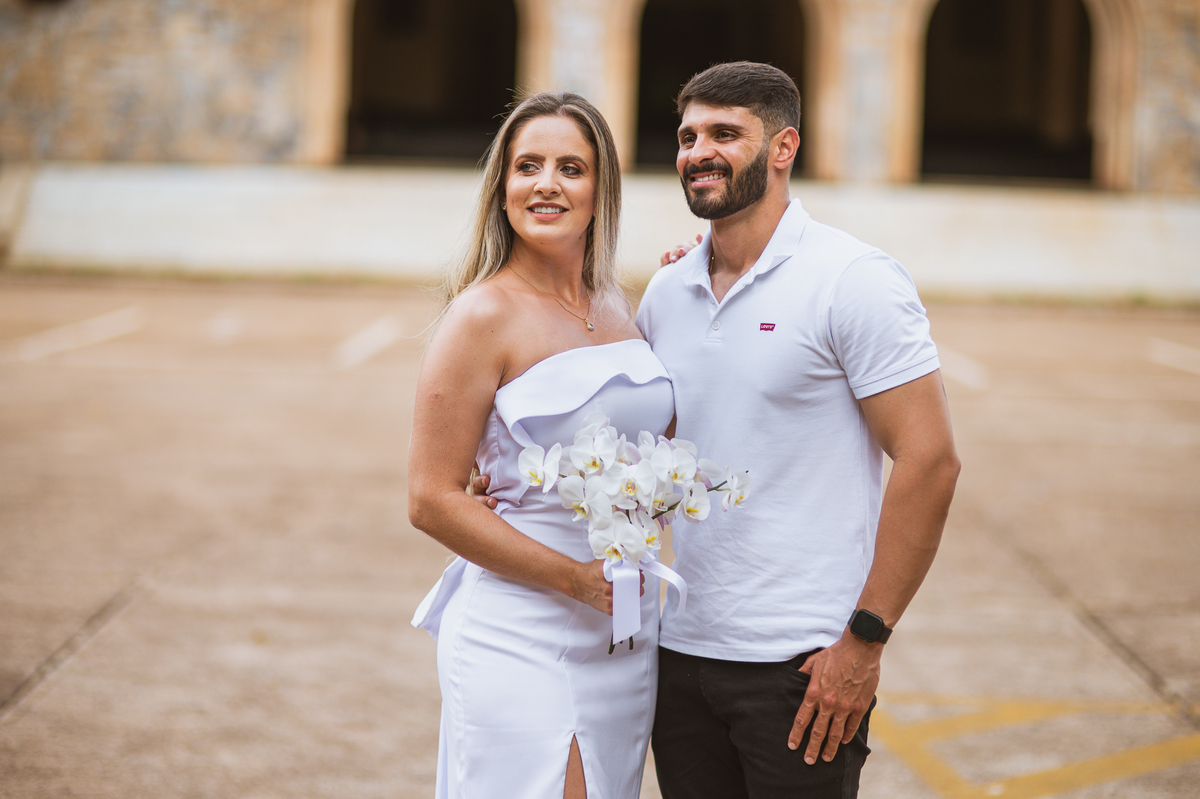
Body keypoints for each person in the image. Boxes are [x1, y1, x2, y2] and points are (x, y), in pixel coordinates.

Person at [637, 62, 961, 798]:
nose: (698, 151)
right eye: (688, 136)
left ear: (784, 148)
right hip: (679, 653)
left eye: (725, 133)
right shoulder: (667, 289)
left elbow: (930, 459)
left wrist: (864, 641)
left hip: (803, 666)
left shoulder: (854, 279)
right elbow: (650, 457)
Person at [407, 92, 673, 799]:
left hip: (622, 628)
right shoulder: (481, 315)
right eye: (527, 166)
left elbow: (654, 441)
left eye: (570, 167)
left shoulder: (622, 304)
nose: (547, 183)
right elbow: (430, 500)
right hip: (518, 626)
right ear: (502, 188)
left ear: (600, 190)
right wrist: (574, 577)